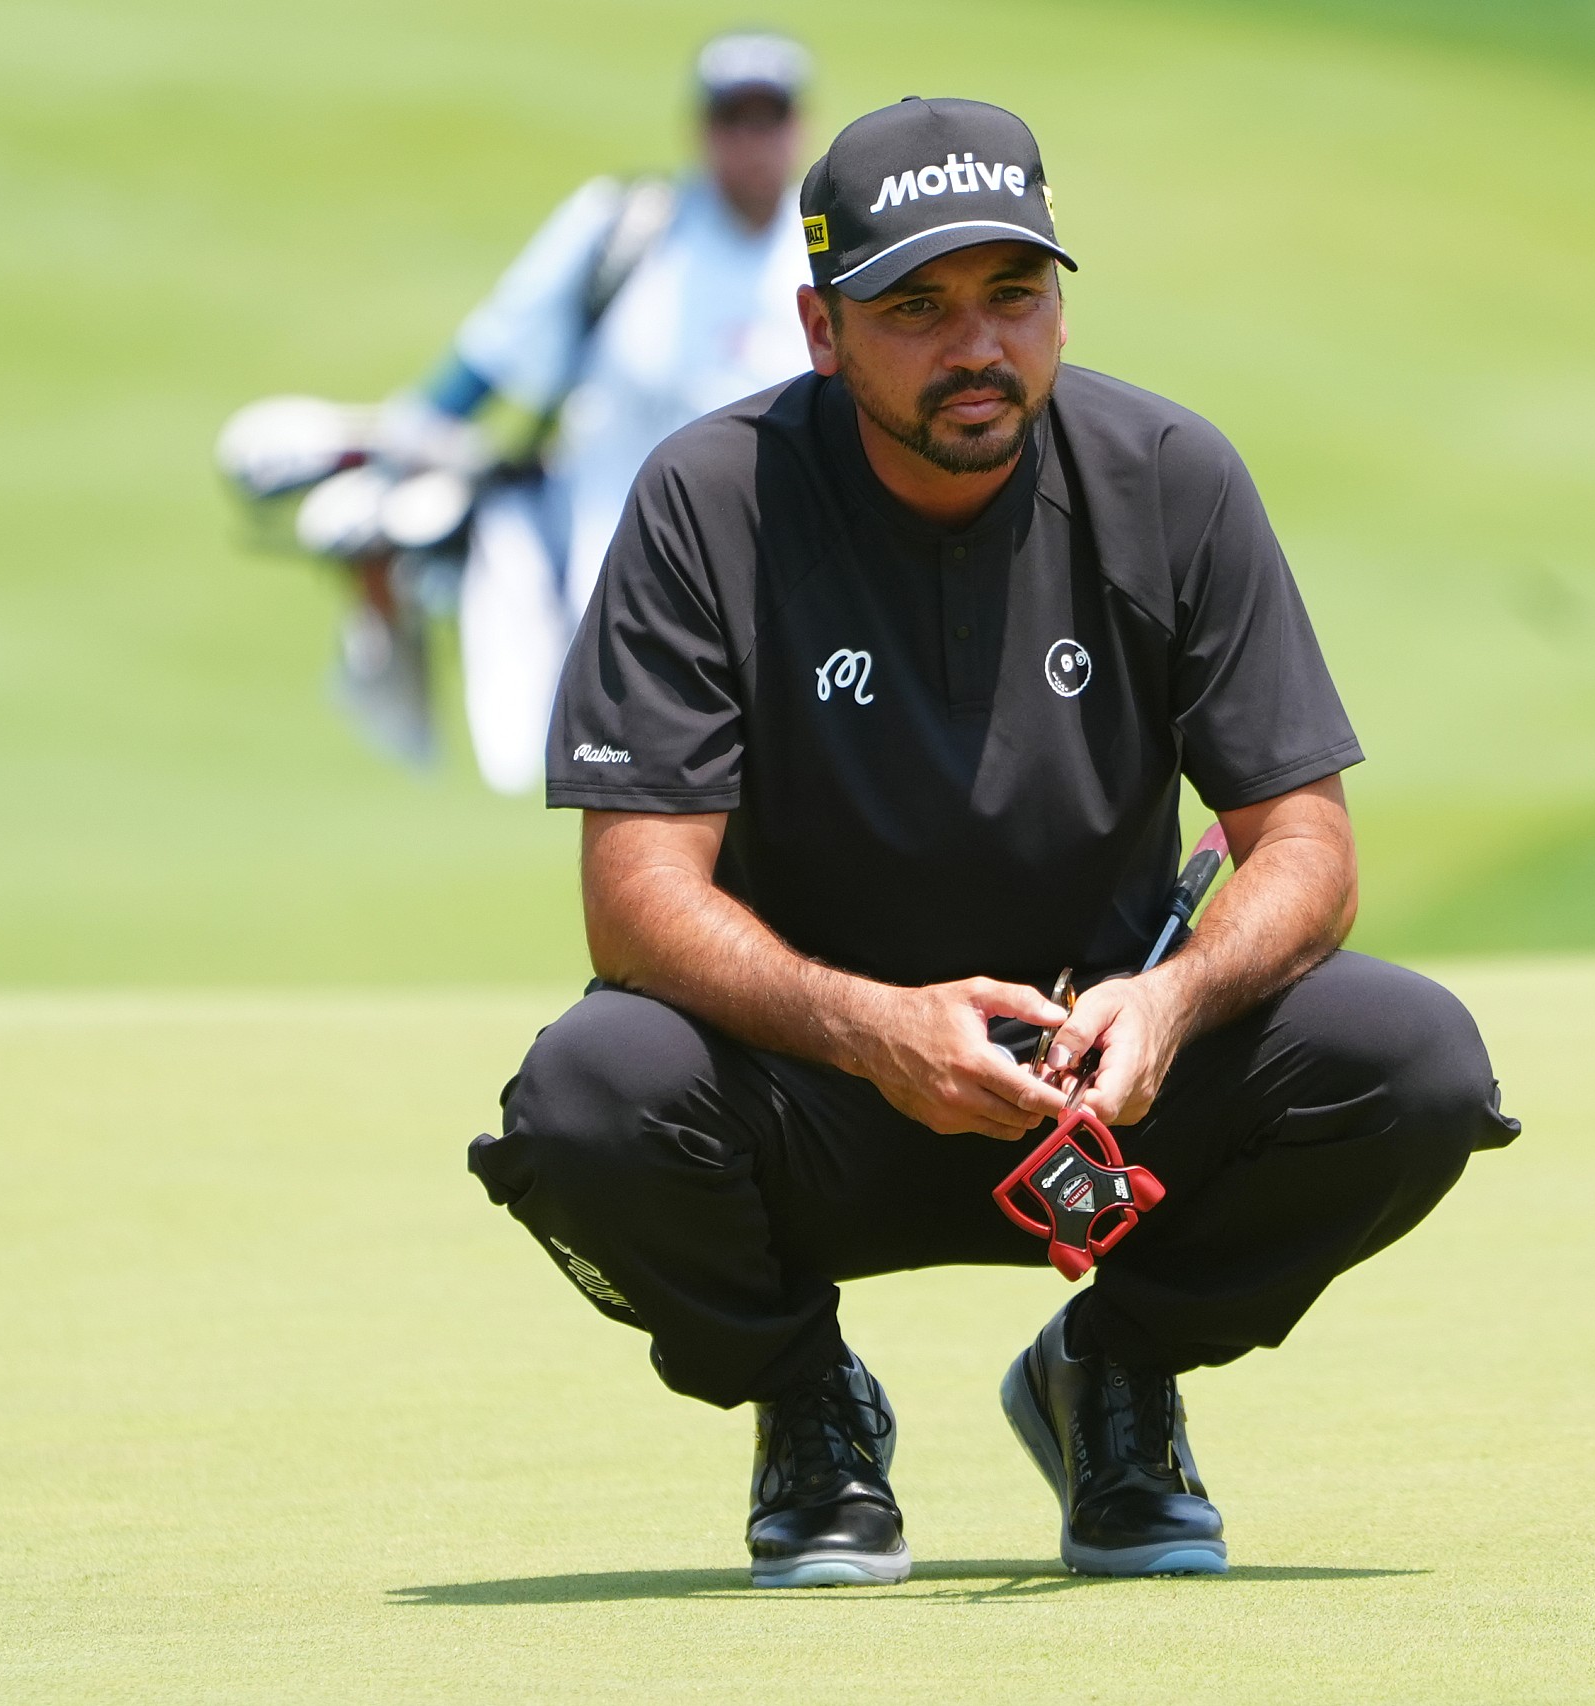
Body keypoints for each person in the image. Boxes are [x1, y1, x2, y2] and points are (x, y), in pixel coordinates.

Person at [466, 97, 1521, 1588]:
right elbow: (636, 902)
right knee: (584, 1100)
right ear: (823, 328)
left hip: (1106, 1096)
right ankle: (806, 1395)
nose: (980, 346)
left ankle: (1116, 1370)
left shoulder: (1169, 475)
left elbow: (1304, 844)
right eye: (918, 307)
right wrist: (875, 1029)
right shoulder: (710, 501)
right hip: (814, 1088)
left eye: (1014, 295)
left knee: (1415, 1063)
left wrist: (1171, 998)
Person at [324, 32, 817, 790]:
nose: (750, 142)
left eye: (769, 117)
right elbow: (489, 363)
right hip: (614, 611)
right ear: (701, 127)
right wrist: (375, 452)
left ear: (799, 124)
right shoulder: (625, 231)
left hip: (786, 621)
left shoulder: (832, 258)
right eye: (731, 118)